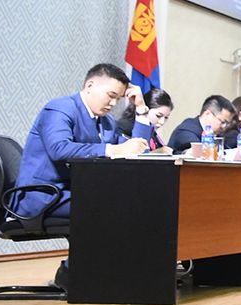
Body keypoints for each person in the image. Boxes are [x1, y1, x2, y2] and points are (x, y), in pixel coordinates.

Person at [9, 63, 148, 225]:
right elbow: (59, 149)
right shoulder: (60, 108)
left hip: (77, 192)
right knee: (119, 206)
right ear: (89, 86)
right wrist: (112, 149)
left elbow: (136, 151)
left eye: (118, 99)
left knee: (133, 200)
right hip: (44, 196)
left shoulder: (107, 121)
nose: (113, 103)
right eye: (111, 95)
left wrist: (141, 108)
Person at [166, 95, 236, 154]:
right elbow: (201, 151)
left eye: (227, 124)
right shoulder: (187, 130)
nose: (224, 127)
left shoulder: (215, 134)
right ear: (207, 114)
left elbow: (225, 151)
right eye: (223, 122)